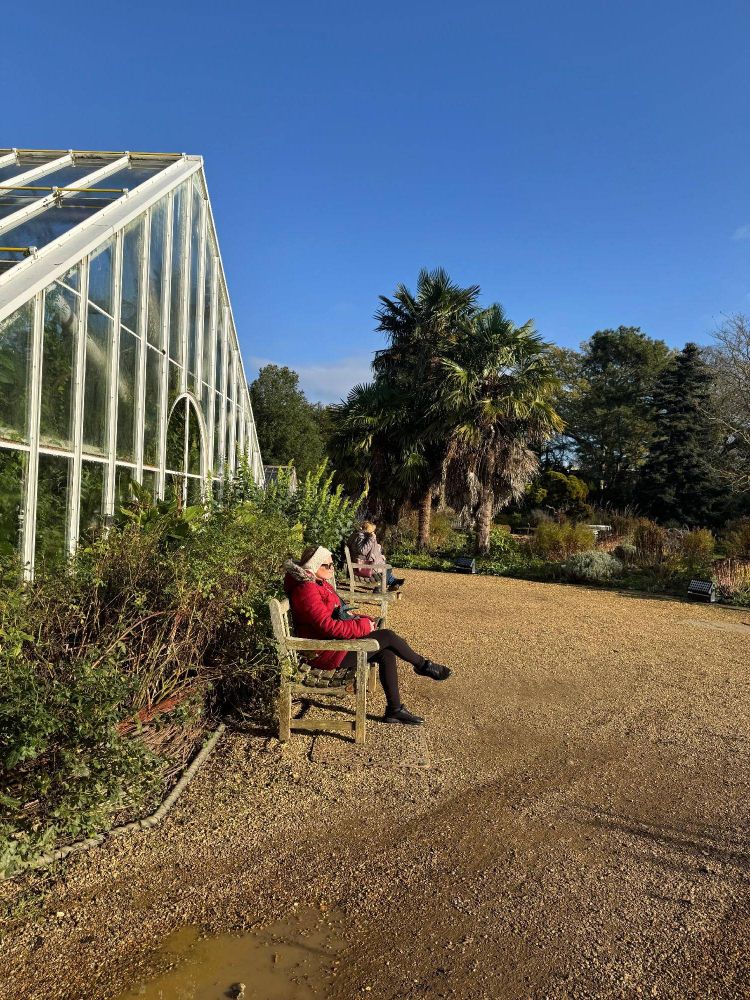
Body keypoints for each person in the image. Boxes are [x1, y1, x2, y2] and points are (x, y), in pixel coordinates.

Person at [284, 545, 451, 725]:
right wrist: (362, 626)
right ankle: (423, 666)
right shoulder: (306, 590)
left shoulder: (318, 583)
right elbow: (328, 626)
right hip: (324, 651)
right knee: (387, 637)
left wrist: (362, 620)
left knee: (385, 651)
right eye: (328, 565)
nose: (332, 569)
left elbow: (338, 614)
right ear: (314, 566)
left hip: (332, 645)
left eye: (333, 565)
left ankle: (395, 710)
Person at [348, 520, 405, 591]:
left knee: (384, 565)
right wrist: (371, 538)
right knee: (388, 568)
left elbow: (361, 549)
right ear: (368, 531)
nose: (373, 533)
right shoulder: (361, 537)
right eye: (372, 531)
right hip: (364, 569)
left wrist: (376, 546)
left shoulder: (356, 536)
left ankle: (393, 582)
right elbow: (362, 551)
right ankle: (379, 588)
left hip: (358, 565)